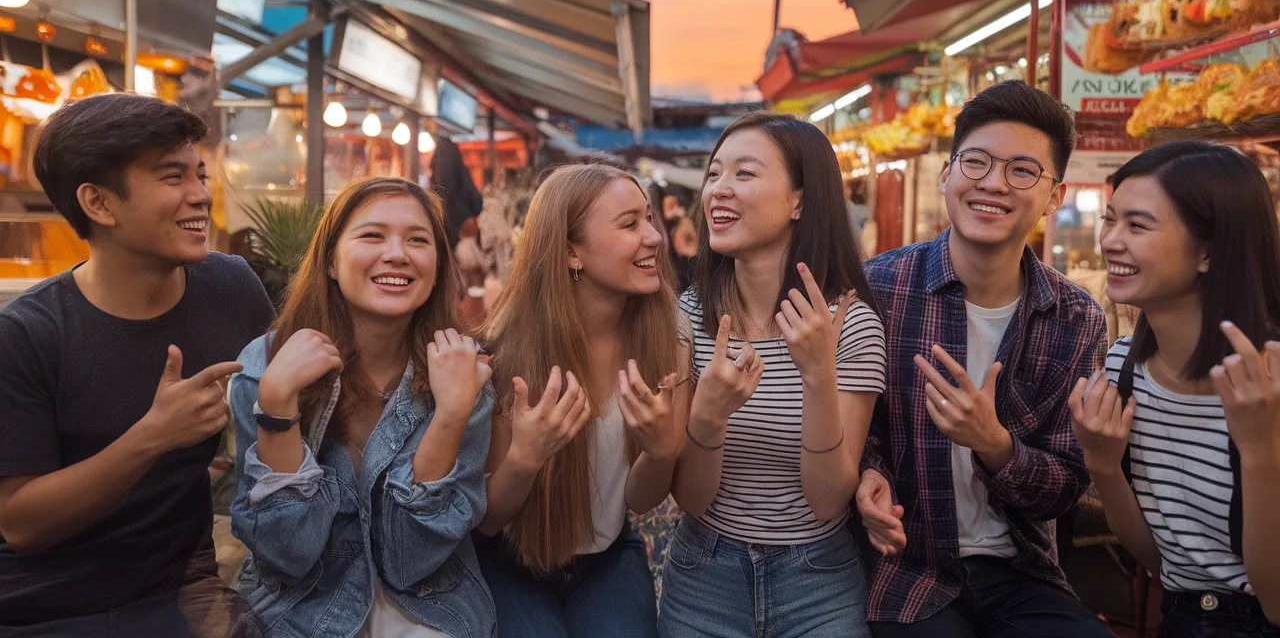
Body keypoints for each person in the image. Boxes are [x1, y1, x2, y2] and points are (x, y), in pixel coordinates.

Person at [0, 94, 275, 636]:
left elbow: (292, 393)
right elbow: (21, 523)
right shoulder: (26, 335)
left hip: (176, 586)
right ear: (99, 204)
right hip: (42, 603)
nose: (201, 195)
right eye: (173, 178)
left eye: (200, 174)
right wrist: (153, 435)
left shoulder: (231, 287)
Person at [855, 80, 1111, 638]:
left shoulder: (1075, 318)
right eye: (976, 162)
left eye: (1022, 170)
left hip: (1019, 572)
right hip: (904, 568)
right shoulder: (878, 288)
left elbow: (1067, 485)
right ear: (947, 174)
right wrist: (866, 475)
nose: (993, 183)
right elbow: (852, 426)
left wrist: (994, 444)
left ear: (1054, 196)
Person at [227, 177, 495, 638]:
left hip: (434, 611)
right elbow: (287, 551)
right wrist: (276, 404)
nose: (397, 254)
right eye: (373, 235)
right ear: (331, 260)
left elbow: (413, 559)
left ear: (437, 264)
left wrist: (451, 413)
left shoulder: (463, 372)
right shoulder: (264, 369)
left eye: (418, 240)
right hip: (300, 609)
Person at [660, 111, 887, 638]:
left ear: (800, 201)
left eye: (744, 173)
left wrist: (818, 377)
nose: (718, 189)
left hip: (818, 581)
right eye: (714, 173)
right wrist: (709, 416)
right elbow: (691, 498)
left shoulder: (850, 324)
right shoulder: (691, 316)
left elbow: (829, 500)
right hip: (703, 574)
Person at [1070, 141, 1280, 636]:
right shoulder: (1125, 368)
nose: (1111, 240)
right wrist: (1102, 464)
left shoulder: (1268, 380)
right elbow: (1166, 566)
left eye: (1137, 225)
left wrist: (1260, 450)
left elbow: (1276, 604)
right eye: (1110, 218)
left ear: (1208, 251)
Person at [475, 164, 686, 638]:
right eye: (630, 224)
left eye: (649, 219)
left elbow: (640, 498)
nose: (653, 236)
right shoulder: (505, 353)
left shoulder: (670, 334)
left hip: (609, 557)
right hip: (509, 562)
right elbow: (487, 521)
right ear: (572, 251)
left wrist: (662, 450)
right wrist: (525, 459)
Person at [430, 135, 483, 250]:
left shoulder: (438, 194)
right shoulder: (460, 175)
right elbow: (477, 201)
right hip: (461, 236)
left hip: (447, 238)